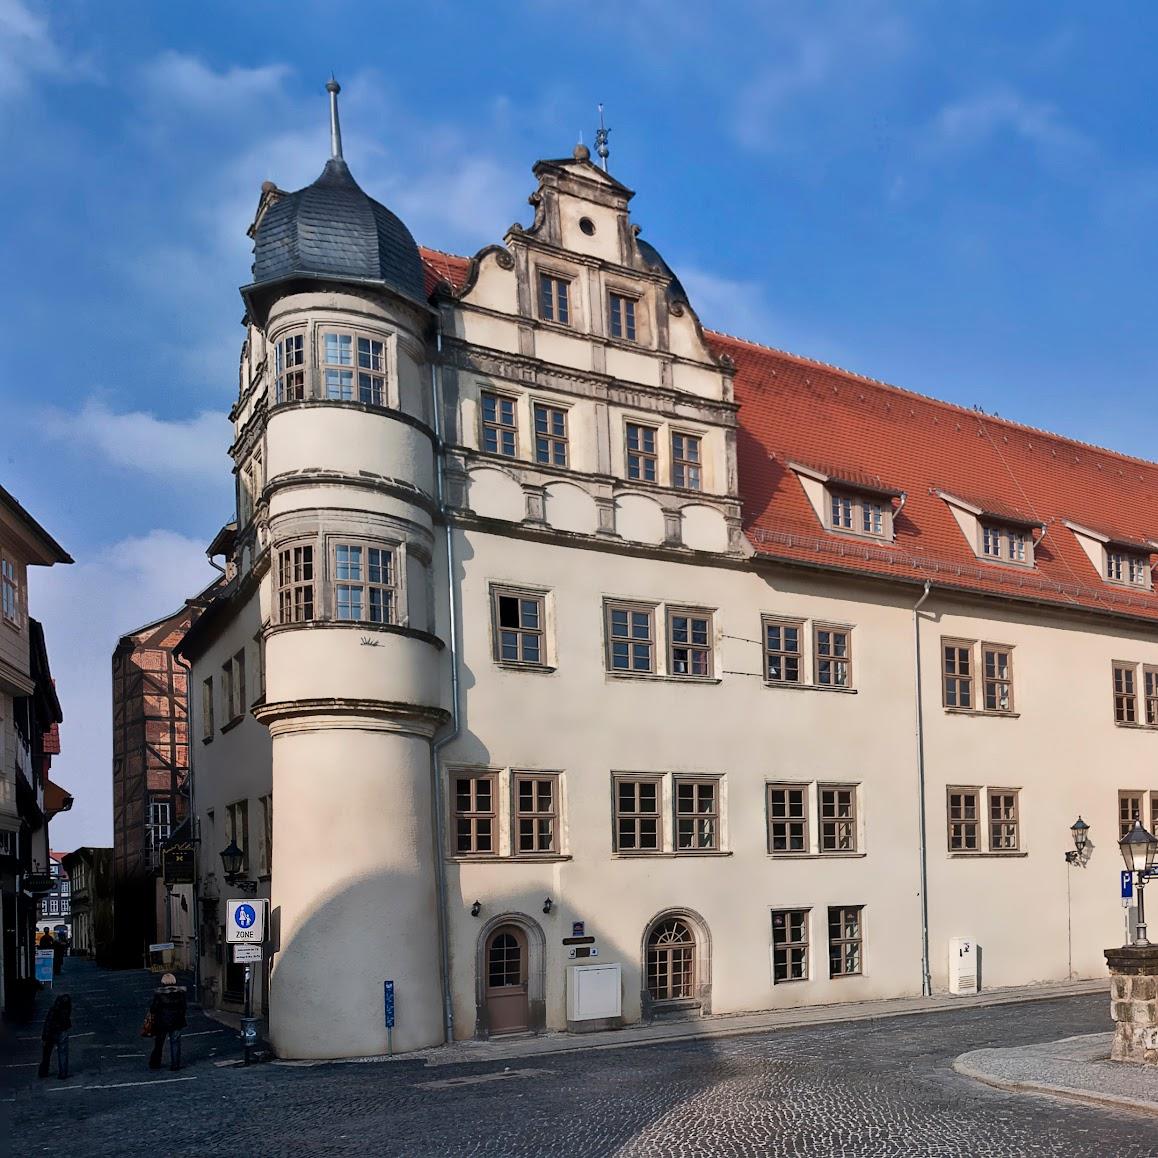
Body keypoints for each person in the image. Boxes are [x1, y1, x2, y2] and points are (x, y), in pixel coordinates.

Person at [147, 973, 187, 1072]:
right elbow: (184, 1007)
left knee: (159, 1043)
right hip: (177, 1021)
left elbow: (153, 1009)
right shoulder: (180, 993)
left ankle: (155, 1063)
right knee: (175, 1043)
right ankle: (175, 1065)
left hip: (162, 1021)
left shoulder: (159, 994)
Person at [38, 994, 70, 1080]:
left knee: (47, 1053)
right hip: (62, 1031)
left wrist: (44, 1036)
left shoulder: (53, 1010)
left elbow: (48, 1023)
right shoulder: (66, 1010)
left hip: (52, 1032)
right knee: (63, 1053)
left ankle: (44, 1071)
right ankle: (63, 1073)